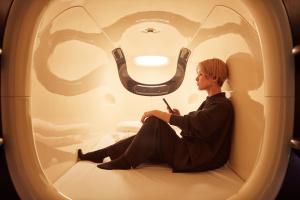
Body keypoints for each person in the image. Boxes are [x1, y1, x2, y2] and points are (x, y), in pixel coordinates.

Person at [77, 58, 234, 172]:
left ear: (213, 77)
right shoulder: (211, 102)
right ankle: (102, 153)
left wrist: (157, 113)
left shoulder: (222, 106)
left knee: (154, 122)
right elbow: (196, 129)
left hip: (194, 159)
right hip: (190, 153)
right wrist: (178, 117)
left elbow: (195, 125)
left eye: (200, 74)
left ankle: (126, 161)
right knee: (148, 136)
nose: (196, 78)